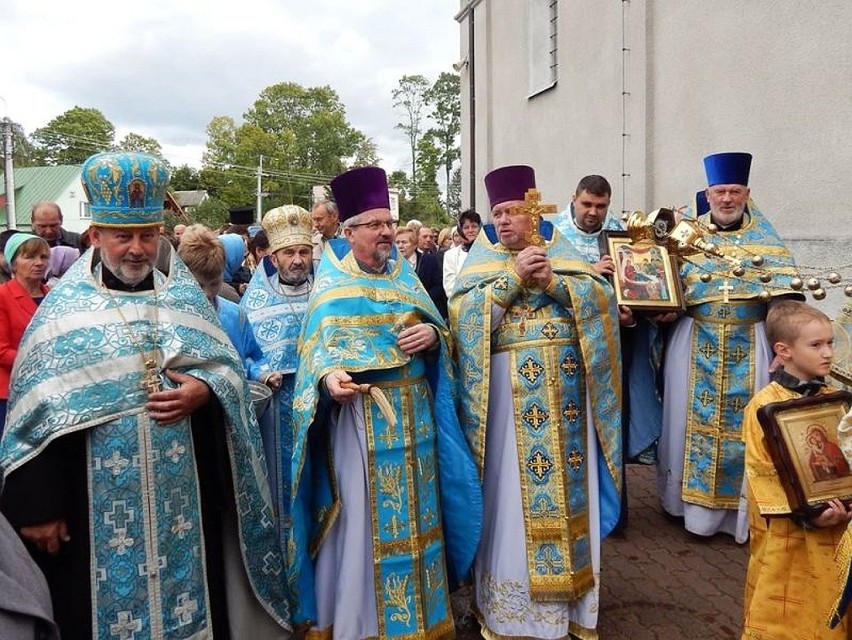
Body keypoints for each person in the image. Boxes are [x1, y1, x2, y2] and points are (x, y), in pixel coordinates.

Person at [0, 152, 290, 640]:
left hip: (184, 506)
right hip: (91, 512)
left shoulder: (183, 299)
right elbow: (36, 413)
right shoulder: (61, 314)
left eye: (147, 235)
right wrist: (40, 509)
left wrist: (205, 391)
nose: (137, 249)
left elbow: (230, 376)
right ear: (95, 236)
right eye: (123, 236)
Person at [289, 166, 481, 639]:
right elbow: (315, 354)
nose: (387, 233)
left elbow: (443, 335)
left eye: (389, 224)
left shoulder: (407, 277)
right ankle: (365, 625)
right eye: (375, 225)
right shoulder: (331, 285)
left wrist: (434, 337)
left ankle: (423, 622)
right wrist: (329, 380)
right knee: (366, 526)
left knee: (419, 517)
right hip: (361, 422)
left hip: (415, 417)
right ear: (349, 231)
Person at [450, 165, 623, 638]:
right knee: (508, 501)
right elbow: (461, 321)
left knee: (569, 499)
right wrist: (508, 284)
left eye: (512, 212)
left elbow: (602, 303)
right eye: (497, 213)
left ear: (535, 213)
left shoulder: (563, 255)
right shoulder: (481, 259)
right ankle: (510, 611)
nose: (503, 221)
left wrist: (555, 284)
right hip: (507, 410)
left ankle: (570, 610)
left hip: (568, 405)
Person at [657, 152, 800, 541]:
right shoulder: (685, 237)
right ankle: (689, 509)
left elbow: (785, 303)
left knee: (746, 428)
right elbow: (663, 288)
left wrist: (785, 352)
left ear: (746, 193)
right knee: (686, 421)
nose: (726, 198)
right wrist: (664, 311)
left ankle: (738, 514)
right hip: (693, 339)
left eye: (734, 191)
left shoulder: (765, 242)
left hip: (750, 341)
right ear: (708, 192)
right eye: (720, 191)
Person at [742, 300, 852, 637]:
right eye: (816, 345)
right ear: (783, 350)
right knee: (783, 608)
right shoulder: (762, 405)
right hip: (788, 534)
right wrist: (811, 515)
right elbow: (762, 474)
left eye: (830, 343)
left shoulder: (837, 398)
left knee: (830, 604)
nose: (827, 353)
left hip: (840, 523)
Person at [241, 204, 314, 578]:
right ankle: (290, 576)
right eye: (289, 252)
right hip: (280, 414)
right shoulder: (252, 301)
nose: (298, 260)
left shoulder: (327, 293)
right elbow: (246, 355)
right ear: (273, 256)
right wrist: (263, 370)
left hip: (326, 410)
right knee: (287, 495)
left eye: (304, 251)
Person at [177, 224, 274, 386]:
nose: (208, 293)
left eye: (214, 284)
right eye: (199, 286)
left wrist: (262, 374)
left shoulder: (235, 315)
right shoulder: (171, 316)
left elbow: (249, 357)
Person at [0, 234, 50, 435]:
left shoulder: (52, 295)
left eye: (44, 257)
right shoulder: (3, 296)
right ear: (13, 263)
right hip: (10, 393)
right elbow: (2, 352)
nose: (38, 263)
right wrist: (42, 361)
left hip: (46, 390)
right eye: (29, 257)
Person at [396, 227, 447, 318]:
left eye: (404, 242)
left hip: (427, 312)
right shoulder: (390, 264)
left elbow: (439, 286)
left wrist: (421, 300)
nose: (400, 246)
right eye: (397, 242)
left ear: (414, 245)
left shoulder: (429, 260)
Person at [442, 208, 481, 297]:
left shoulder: (490, 251)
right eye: (466, 227)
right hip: (460, 303)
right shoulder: (451, 255)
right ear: (460, 230)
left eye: (474, 226)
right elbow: (449, 287)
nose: (470, 230)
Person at [310, 199, 342, 269]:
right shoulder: (312, 242)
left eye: (319, 219)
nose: (315, 225)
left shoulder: (351, 239)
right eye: (314, 220)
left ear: (334, 217)